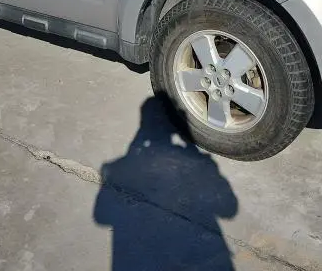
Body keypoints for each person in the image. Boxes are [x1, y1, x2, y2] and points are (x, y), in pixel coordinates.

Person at [94, 97, 238, 270]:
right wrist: (192, 148)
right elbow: (229, 209)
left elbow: (101, 216)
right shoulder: (200, 164)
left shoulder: (115, 168)